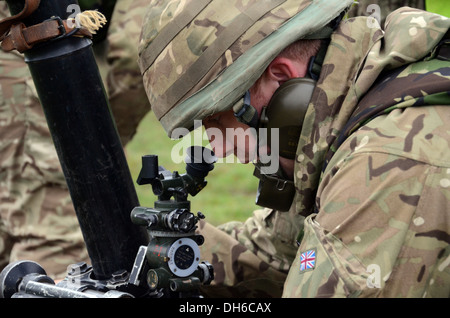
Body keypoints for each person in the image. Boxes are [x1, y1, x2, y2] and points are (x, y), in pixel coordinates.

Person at [138, 0, 450, 297]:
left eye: (217, 121)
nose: (220, 150)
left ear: (283, 80)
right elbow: (279, 253)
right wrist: (139, 247)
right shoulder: (354, 111)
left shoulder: (390, 160)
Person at [0, 0, 150, 280]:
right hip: (41, 68)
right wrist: (95, 137)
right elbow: (134, 51)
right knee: (52, 254)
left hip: (34, 54)